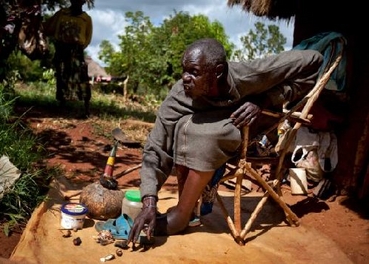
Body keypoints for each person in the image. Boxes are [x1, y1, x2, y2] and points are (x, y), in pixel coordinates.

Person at [127, 38, 323, 245]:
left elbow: (314, 60)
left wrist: (265, 101)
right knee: (185, 126)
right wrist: (149, 202)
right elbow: (156, 147)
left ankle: (181, 217)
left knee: (204, 134)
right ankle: (189, 206)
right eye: (184, 70)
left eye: (194, 72)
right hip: (215, 135)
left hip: (252, 135)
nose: (185, 78)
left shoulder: (251, 74)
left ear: (218, 71)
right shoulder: (179, 95)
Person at [44, 0, 93, 118]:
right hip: (62, 49)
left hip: (76, 51)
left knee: (82, 78)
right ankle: (62, 106)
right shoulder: (62, 14)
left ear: (84, 2)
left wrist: (76, 48)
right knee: (62, 76)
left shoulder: (86, 19)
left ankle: (86, 108)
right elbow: (48, 27)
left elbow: (87, 38)